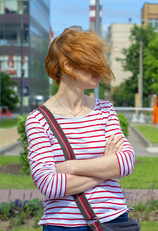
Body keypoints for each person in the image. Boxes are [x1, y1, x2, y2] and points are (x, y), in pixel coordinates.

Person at [25, 26, 135, 230]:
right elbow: (48, 185)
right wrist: (105, 167)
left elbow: (126, 162)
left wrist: (70, 167)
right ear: (68, 66)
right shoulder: (38, 120)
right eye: (92, 62)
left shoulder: (105, 109)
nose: (101, 69)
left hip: (113, 220)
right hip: (63, 225)